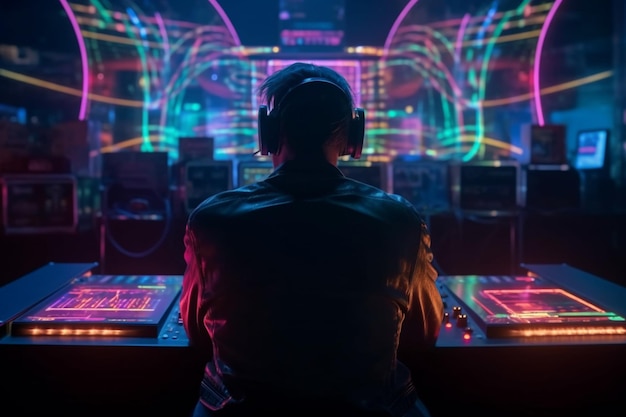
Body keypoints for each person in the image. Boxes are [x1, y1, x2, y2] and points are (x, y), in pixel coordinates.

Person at [181, 62, 444, 417]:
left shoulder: (211, 220)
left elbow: (199, 336)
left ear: (268, 132)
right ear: (354, 135)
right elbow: (423, 336)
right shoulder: (400, 220)